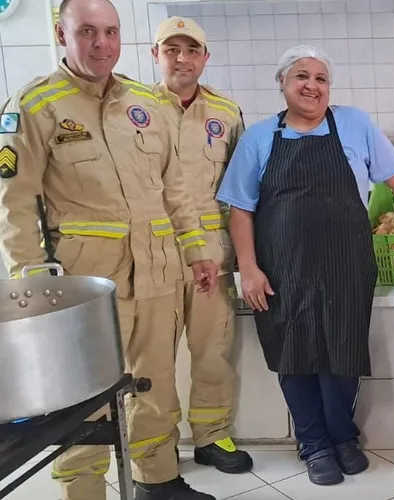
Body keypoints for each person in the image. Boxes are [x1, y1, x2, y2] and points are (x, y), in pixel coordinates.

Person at [215, 45, 394, 486]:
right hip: (284, 269)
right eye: (302, 76)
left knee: (342, 352)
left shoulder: (354, 123)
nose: (312, 86)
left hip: (346, 264)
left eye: (321, 79)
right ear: (282, 84)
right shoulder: (260, 138)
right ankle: (314, 442)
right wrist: (249, 267)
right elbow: (241, 208)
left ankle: (343, 437)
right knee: (294, 354)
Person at [0, 0, 220, 499]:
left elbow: (175, 188)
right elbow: (12, 204)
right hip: (84, 285)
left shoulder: (145, 105)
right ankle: (84, 490)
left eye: (111, 32)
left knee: (156, 382)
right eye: (88, 32)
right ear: (62, 34)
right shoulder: (34, 106)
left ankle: (158, 479)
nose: (102, 44)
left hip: (157, 271)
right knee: (84, 398)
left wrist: (198, 252)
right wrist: (33, 285)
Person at [150, 16, 253, 474]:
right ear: (156, 55)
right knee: (154, 352)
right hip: (155, 252)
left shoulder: (226, 113)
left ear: (205, 58)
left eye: (191, 50)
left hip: (213, 250)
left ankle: (211, 436)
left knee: (213, 347)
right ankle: (158, 445)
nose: (182, 58)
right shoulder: (134, 108)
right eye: (171, 49)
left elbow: (243, 188)